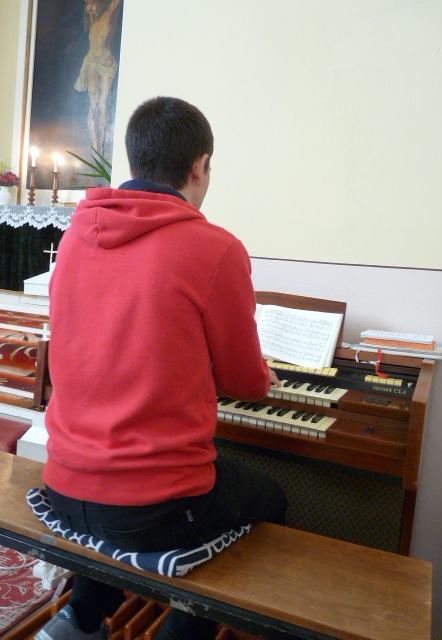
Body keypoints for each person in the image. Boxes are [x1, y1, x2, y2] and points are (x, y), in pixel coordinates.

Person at [34, 96, 287, 640]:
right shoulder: (215, 248)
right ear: (200, 165)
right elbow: (245, 383)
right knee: (271, 497)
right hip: (154, 509)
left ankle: (81, 620)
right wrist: (264, 374)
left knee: (126, 499)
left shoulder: (75, 236)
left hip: (63, 482)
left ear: (134, 161)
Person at [74, 0, 123, 154]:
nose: (90, 12)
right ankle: (95, 144)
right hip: (92, 63)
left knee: (102, 104)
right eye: (88, 10)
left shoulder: (108, 15)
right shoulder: (92, 23)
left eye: (92, 8)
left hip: (106, 64)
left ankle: (101, 142)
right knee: (93, 104)